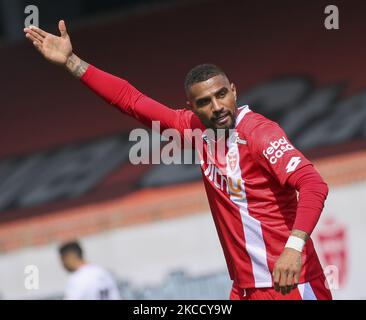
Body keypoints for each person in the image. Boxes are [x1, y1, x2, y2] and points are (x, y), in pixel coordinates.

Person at [24, 21, 332, 300]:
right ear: (192, 107)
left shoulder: (259, 134)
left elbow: (313, 184)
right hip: (246, 288)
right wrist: (71, 61)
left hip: (292, 284)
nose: (217, 107)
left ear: (234, 91)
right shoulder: (194, 128)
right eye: (205, 102)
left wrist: (294, 247)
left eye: (222, 95)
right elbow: (132, 101)